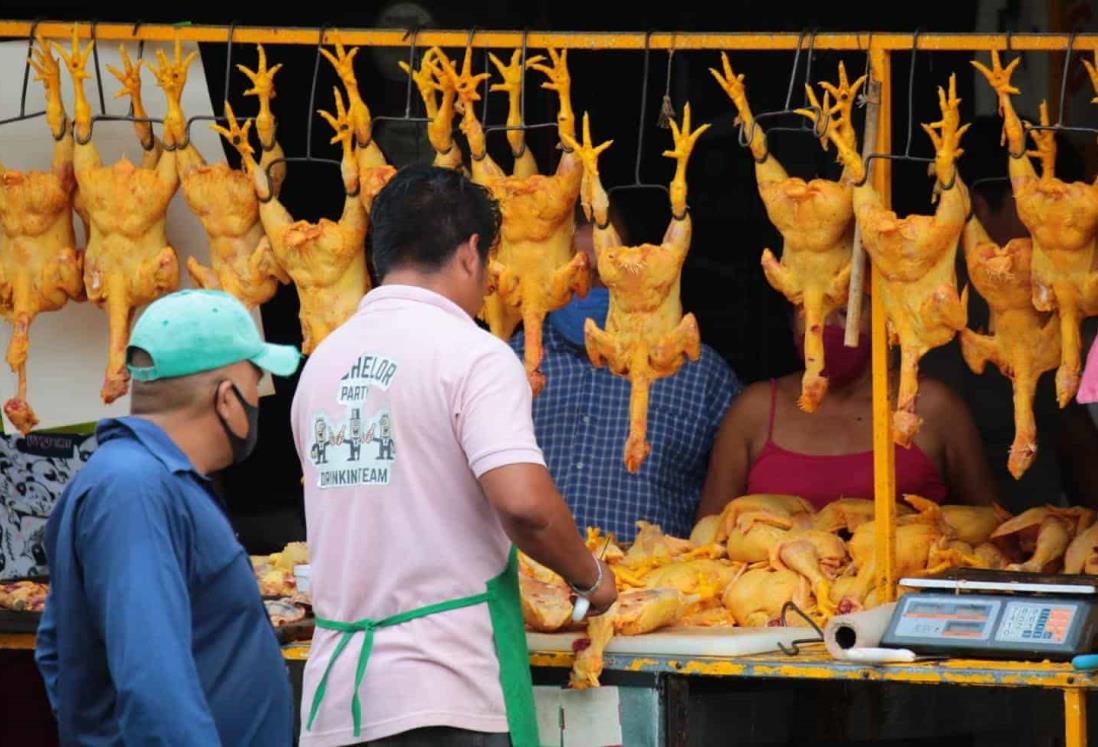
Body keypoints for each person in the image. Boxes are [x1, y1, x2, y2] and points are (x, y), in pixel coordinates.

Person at [292, 165, 617, 747]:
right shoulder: (473, 355)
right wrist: (591, 578)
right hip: (444, 696)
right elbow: (525, 506)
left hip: (338, 698)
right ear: (471, 253)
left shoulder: (324, 363)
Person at [35, 289, 302, 746]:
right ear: (226, 398)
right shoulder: (132, 490)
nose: (260, 399)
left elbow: (56, 651)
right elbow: (152, 683)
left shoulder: (154, 481)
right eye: (255, 380)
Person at [510, 209, 742, 541]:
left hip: (653, 584)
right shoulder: (509, 362)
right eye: (575, 273)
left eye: (602, 273)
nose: (587, 288)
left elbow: (735, 491)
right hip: (527, 583)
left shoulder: (696, 370)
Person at [698, 300, 997, 517]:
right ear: (792, 322)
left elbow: (989, 530)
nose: (825, 326)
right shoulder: (753, 411)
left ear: (887, 320)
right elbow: (709, 538)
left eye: (845, 310)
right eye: (809, 309)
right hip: (777, 602)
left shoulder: (932, 408)